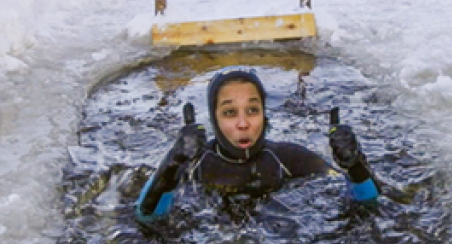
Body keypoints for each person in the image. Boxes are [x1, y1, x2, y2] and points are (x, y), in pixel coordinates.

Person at [134, 67, 380, 223]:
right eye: (230, 112)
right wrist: (172, 163)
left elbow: (369, 204)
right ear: (215, 120)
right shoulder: (193, 164)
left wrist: (354, 165)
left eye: (252, 110)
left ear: (264, 115)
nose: (243, 123)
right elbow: (146, 217)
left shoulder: (289, 158)